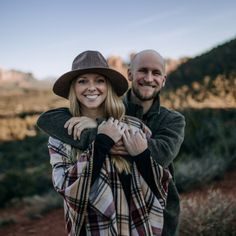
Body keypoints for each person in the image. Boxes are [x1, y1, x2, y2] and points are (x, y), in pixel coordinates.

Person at [37, 49, 185, 236]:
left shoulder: (141, 126)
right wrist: (102, 139)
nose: (92, 87)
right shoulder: (63, 135)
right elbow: (65, 188)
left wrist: (138, 152)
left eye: (99, 81)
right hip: (91, 229)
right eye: (82, 81)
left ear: (108, 87)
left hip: (140, 226)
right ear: (73, 88)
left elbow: (158, 177)